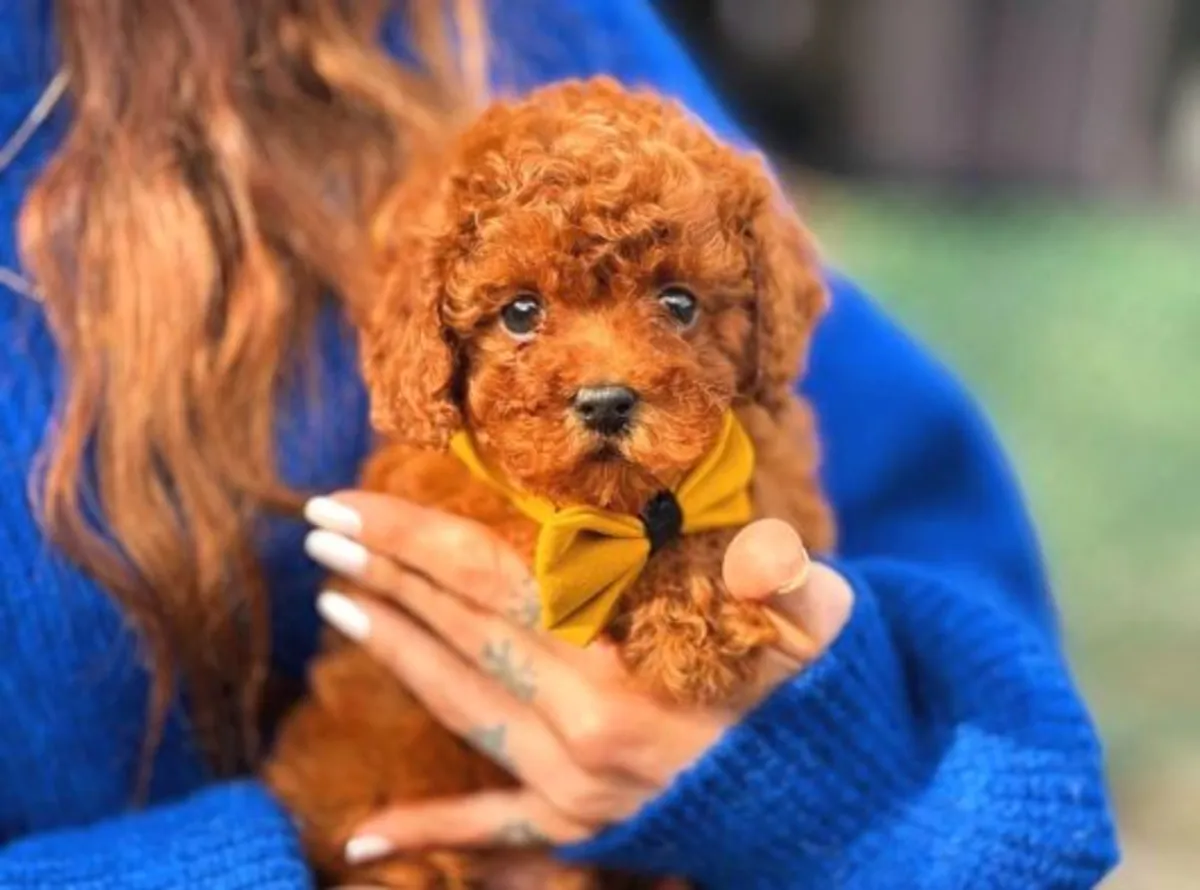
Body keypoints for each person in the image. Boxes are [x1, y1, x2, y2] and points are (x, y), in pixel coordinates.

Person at [0, 2, 1118, 888]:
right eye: (522, 314)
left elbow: (933, 528)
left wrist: (825, 770)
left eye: (676, 305)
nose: (606, 373)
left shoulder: (509, 21)